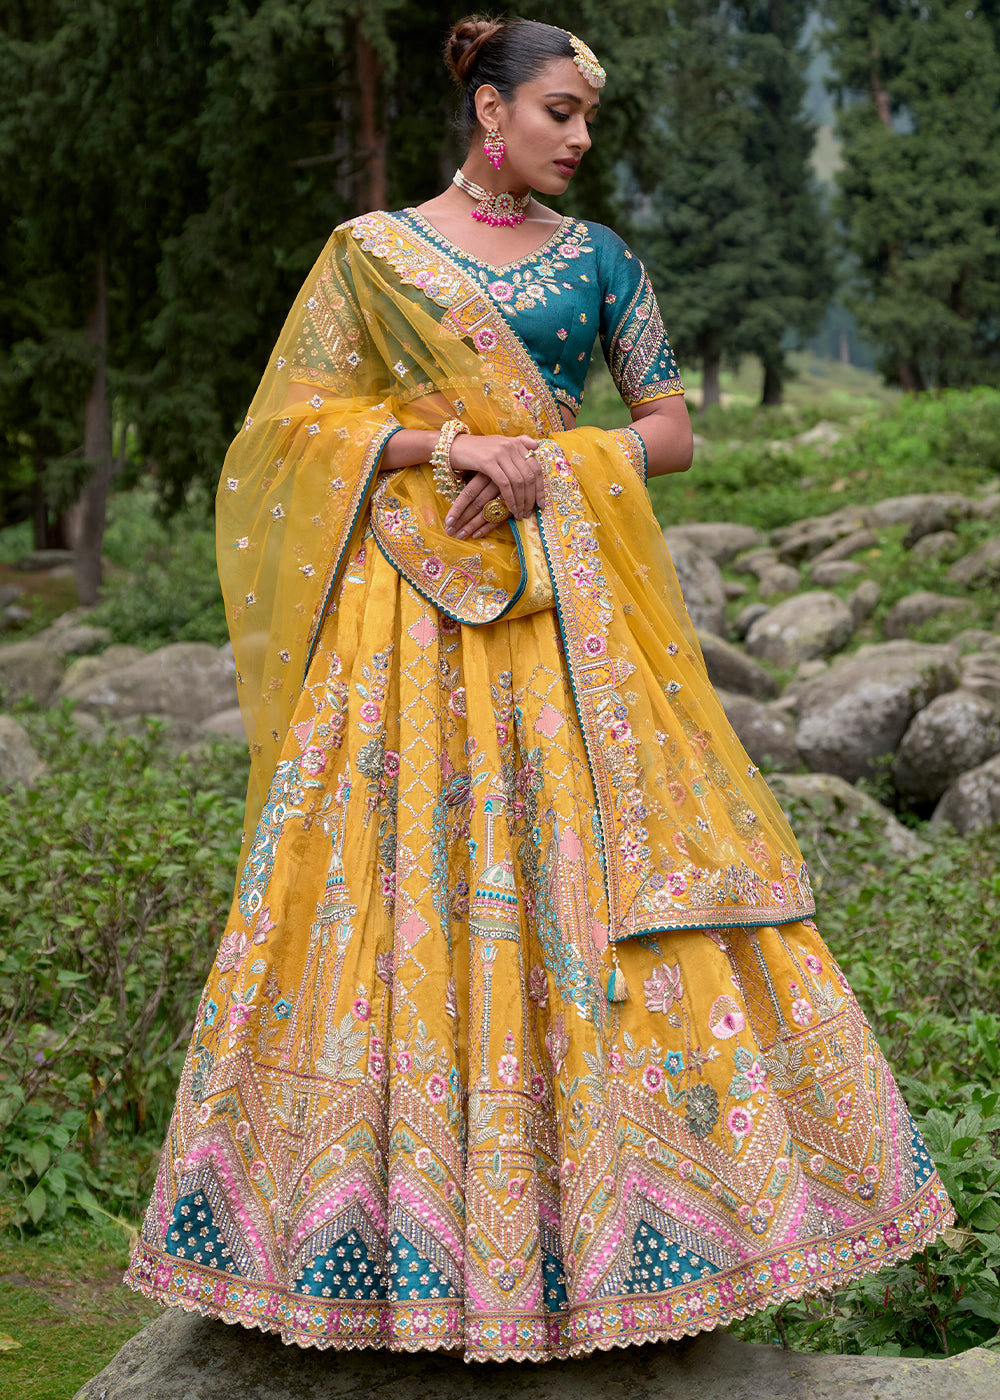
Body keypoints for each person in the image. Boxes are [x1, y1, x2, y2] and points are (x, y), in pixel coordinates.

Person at [125, 16, 952, 1362]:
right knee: (394, 894)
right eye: (558, 112)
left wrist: (547, 463)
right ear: (489, 110)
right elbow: (289, 431)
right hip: (408, 627)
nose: (577, 139)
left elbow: (671, 430)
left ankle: (635, 1242)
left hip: (573, 622)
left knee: (603, 884)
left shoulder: (607, 264)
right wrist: (451, 440)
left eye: (588, 120)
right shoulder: (373, 256)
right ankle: (355, 1248)